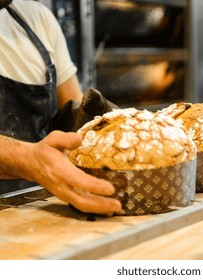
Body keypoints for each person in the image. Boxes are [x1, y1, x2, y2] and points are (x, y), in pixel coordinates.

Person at [0, 0, 121, 215]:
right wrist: (29, 159)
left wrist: (96, 119)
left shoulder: (37, 19)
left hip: (39, 207)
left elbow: (72, 109)